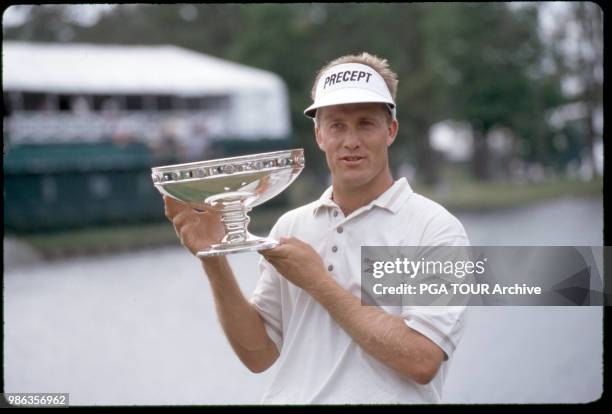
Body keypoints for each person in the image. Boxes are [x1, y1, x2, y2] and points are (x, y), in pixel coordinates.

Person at [163, 52, 469, 404]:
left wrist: (318, 282)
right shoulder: (292, 225)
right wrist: (213, 260)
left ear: (391, 130)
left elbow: (422, 358)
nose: (350, 140)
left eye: (366, 123)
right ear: (319, 134)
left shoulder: (437, 229)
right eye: (337, 125)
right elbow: (259, 355)